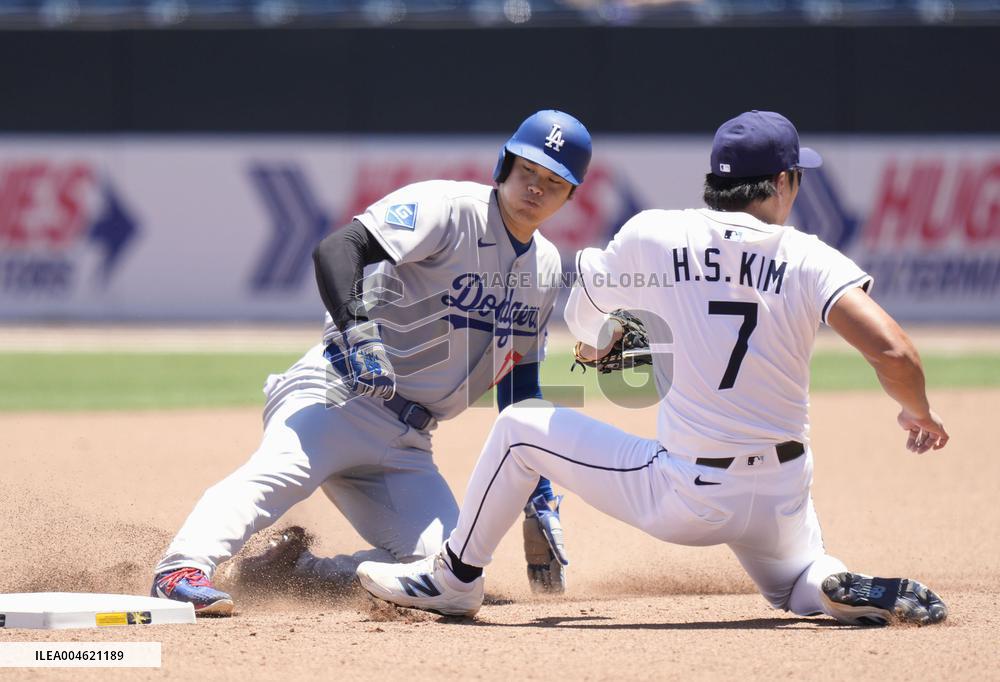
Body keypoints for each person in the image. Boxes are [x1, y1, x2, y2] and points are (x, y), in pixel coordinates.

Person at [355, 110, 950, 627]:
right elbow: (893, 350)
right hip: (782, 493)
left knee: (519, 427)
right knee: (793, 581)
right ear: (782, 183)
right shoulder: (807, 255)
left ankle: (454, 579)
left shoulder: (657, 233)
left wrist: (601, 340)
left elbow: (584, 314)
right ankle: (826, 582)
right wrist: (916, 411)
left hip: (686, 493)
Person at [150, 109, 592, 615]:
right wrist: (359, 332)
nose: (536, 188)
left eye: (554, 183)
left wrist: (537, 486)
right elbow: (339, 248)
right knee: (280, 473)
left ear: (569, 197)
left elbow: (519, 381)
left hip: (408, 443)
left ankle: (297, 574)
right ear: (504, 165)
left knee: (448, 574)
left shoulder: (546, 265)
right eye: (528, 172)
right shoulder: (448, 208)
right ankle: (180, 569)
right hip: (338, 392)